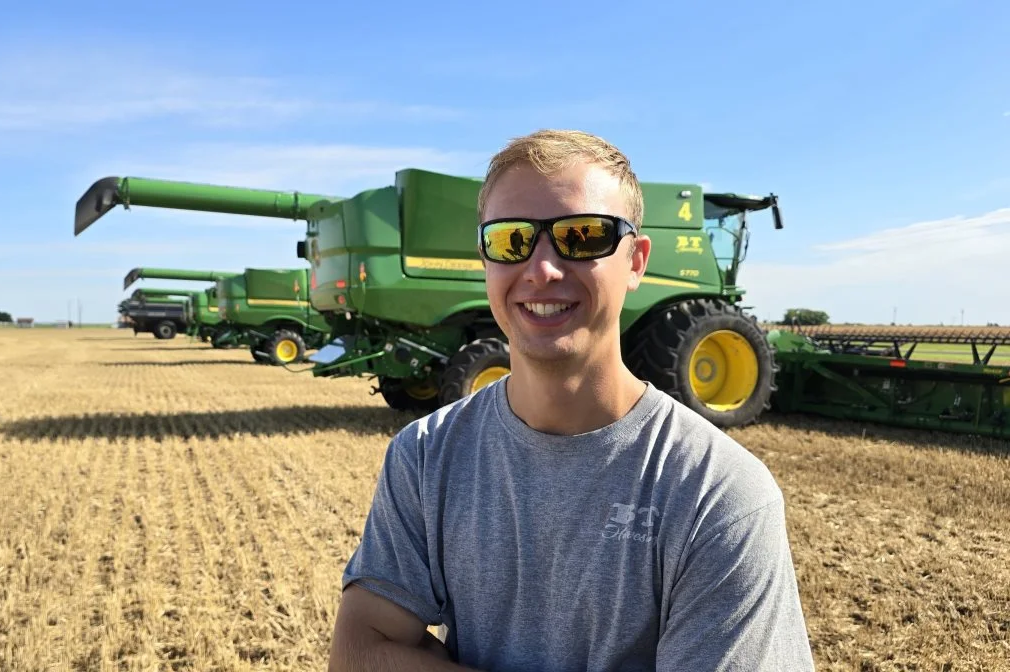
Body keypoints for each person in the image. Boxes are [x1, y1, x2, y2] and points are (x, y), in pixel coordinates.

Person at [327, 129, 815, 671]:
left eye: (582, 237)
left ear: (635, 261)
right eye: (512, 240)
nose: (541, 269)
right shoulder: (424, 456)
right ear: (485, 259)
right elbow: (360, 651)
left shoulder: (717, 494)